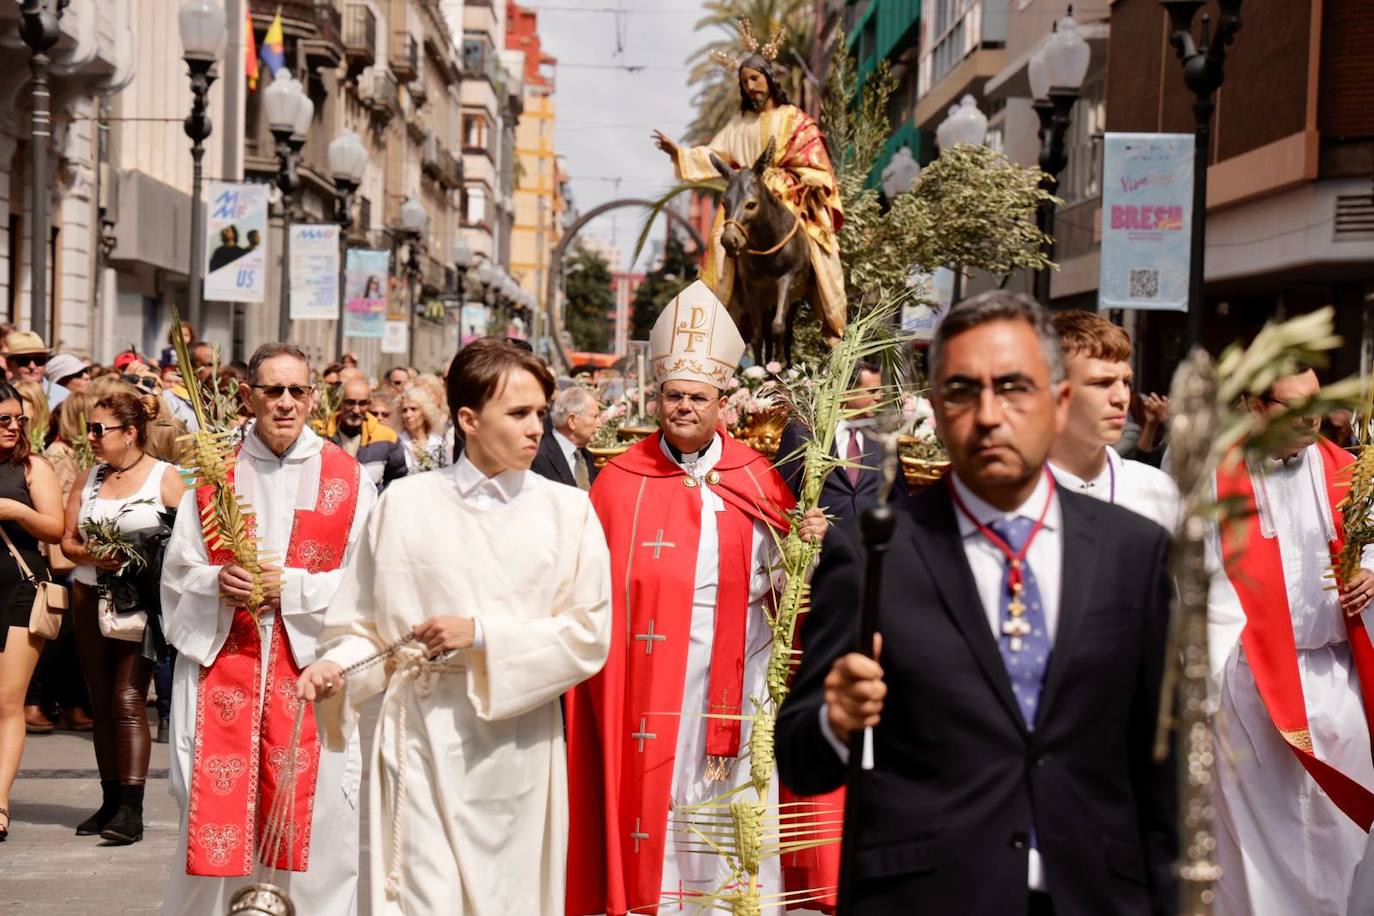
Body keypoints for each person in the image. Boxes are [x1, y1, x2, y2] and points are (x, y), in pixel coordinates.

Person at [775, 293, 1177, 915]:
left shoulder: (1133, 551)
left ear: (1058, 400)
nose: (989, 415)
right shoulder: (877, 550)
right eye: (963, 391)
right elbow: (801, 755)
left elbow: (1160, 773)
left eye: (1014, 388)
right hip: (926, 895)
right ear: (934, 411)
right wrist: (835, 717)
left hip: (1094, 894)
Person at [298, 339, 613, 915]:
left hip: (515, 747)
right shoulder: (405, 505)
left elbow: (589, 634)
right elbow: (364, 625)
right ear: (468, 419)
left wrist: (485, 635)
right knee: (422, 898)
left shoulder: (568, 512)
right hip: (419, 734)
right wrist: (334, 666)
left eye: (541, 413)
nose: (536, 428)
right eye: (518, 413)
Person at [565, 281, 827, 914]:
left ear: (721, 403)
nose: (682, 406)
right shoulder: (620, 480)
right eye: (672, 395)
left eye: (696, 397)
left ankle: (728, 903)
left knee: (731, 795)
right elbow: (589, 588)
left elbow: (786, 586)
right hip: (648, 672)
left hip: (739, 667)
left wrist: (805, 546)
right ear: (658, 398)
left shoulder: (754, 474)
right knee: (657, 791)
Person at [158, 344, 375, 914]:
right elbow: (178, 571)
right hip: (223, 661)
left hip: (309, 668)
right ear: (248, 396)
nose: (285, 403)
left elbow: (372, 586)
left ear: (313, 397)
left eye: (296, 391)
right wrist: (215, 581)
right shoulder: (215, 474)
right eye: (272, 390)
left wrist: (295, 589)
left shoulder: (348, 479)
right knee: (207, 806)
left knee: (318, 813)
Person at [1208, 367, 1374, 916]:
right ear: (1255, 407)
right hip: (1250, 682)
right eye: (1291, 405)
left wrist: (1372, 571)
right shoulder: (1214, 475)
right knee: (1254, 838)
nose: (1310, 417)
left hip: (1336, 678)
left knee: (1340, 830)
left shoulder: (1349, 472)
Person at [653, 40, 845, 345]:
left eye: (754, 78)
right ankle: (715, 317)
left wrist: (809, 177)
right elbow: (713, 154)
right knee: (720, 243)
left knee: (822, 251)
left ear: (768, 78)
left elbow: (815, 156)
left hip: (787, 194)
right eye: (744, 82)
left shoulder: (794, 119)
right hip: (745, 192)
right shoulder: (738, 124)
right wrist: (679, 151)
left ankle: (830, 320)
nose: (750, 86)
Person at [60, 391, 184, 845]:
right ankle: (109, 801)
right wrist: (92, 553)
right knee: (100, 701)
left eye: (99, 429)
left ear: (130, 433)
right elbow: (67, 541)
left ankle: (132, 810)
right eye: (89, 428)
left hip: (138, 603)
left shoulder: (164, 479)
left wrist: (143, 558)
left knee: (128, 697)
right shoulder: (89, 477)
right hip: (89, 596)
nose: (90, 436)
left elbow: (188, 543)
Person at [0, 381, 67, 842]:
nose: (13, 426)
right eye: (3, 419)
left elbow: (56, 528)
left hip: (19, 591)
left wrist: (13, 510)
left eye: (18, 419)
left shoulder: (29, 465)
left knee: (7, 704)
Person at [1045, 311, 1179, 531]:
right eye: (1102, 383)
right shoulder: (1011, 496)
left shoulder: (1159, 492)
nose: (1121, 397)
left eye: (1126, 382)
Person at [25, 393, 95, 735]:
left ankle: (69, 702)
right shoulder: (56, 456)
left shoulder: (50, 456)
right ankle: (39, 701)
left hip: (61, 552)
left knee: (67, 636)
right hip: (54, 555)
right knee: (57, 633)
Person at [775, 360, 894, 527]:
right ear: (846, 391)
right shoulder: (804, 432)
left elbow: (896, 497)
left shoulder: (881, 436)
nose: (879, 398)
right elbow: (782, 496)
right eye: (872, 391)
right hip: (818, 544)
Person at [325, 377, 408, 491]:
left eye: (362, 403)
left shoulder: (387, 438)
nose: (356, 410)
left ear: (369, 403)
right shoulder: (323, 435)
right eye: (350, 403)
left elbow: (398, 481)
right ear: (340, 401)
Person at [531, 385, 600, 490]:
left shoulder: (586, 456)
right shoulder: (538, 457)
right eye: (594, 417)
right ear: (572, 421)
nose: (599, 424)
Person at [397, 386, 449, 473]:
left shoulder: (438, 442)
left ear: (425, 411)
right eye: (404, 410)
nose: (408, 415)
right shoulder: (397, 443)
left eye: (413, 409)